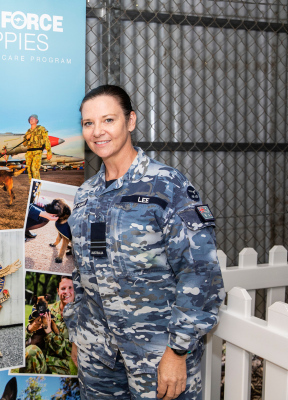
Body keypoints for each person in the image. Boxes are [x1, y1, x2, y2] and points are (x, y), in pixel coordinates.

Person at [63, 85, 225, 400]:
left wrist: (177, 351)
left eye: (108, 120)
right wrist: (78, 335)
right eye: (88, 123)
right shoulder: (85, 195)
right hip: (97, 354)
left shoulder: (166, 186)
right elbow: (79, 272)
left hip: (156, 354)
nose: (98, 131)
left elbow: (201, 272)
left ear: (131, 121)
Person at [22, 276, 75, 375]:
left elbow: (68, 352)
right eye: (63, 288)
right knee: (30, 351)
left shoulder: (80, 318)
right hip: (36, 360)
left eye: (70, 288)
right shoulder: (47, 308)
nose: (66, 292)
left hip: (58, 369)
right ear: (58, 291)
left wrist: (49, 331)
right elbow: (22, 339)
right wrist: (30, 328)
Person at [23, 114, 52, 181]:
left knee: (34, 169)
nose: (31, 119)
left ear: (37, 120)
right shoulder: (28, 131)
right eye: (30, 119)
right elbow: (24, 144)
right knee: (29, 170)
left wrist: (49, 152)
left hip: (37, 151)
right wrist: (26, 138)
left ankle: (37, 188)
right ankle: (32, 188)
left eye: (33, 118)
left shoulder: (41, 129)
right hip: (29, 152)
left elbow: (46, 140)